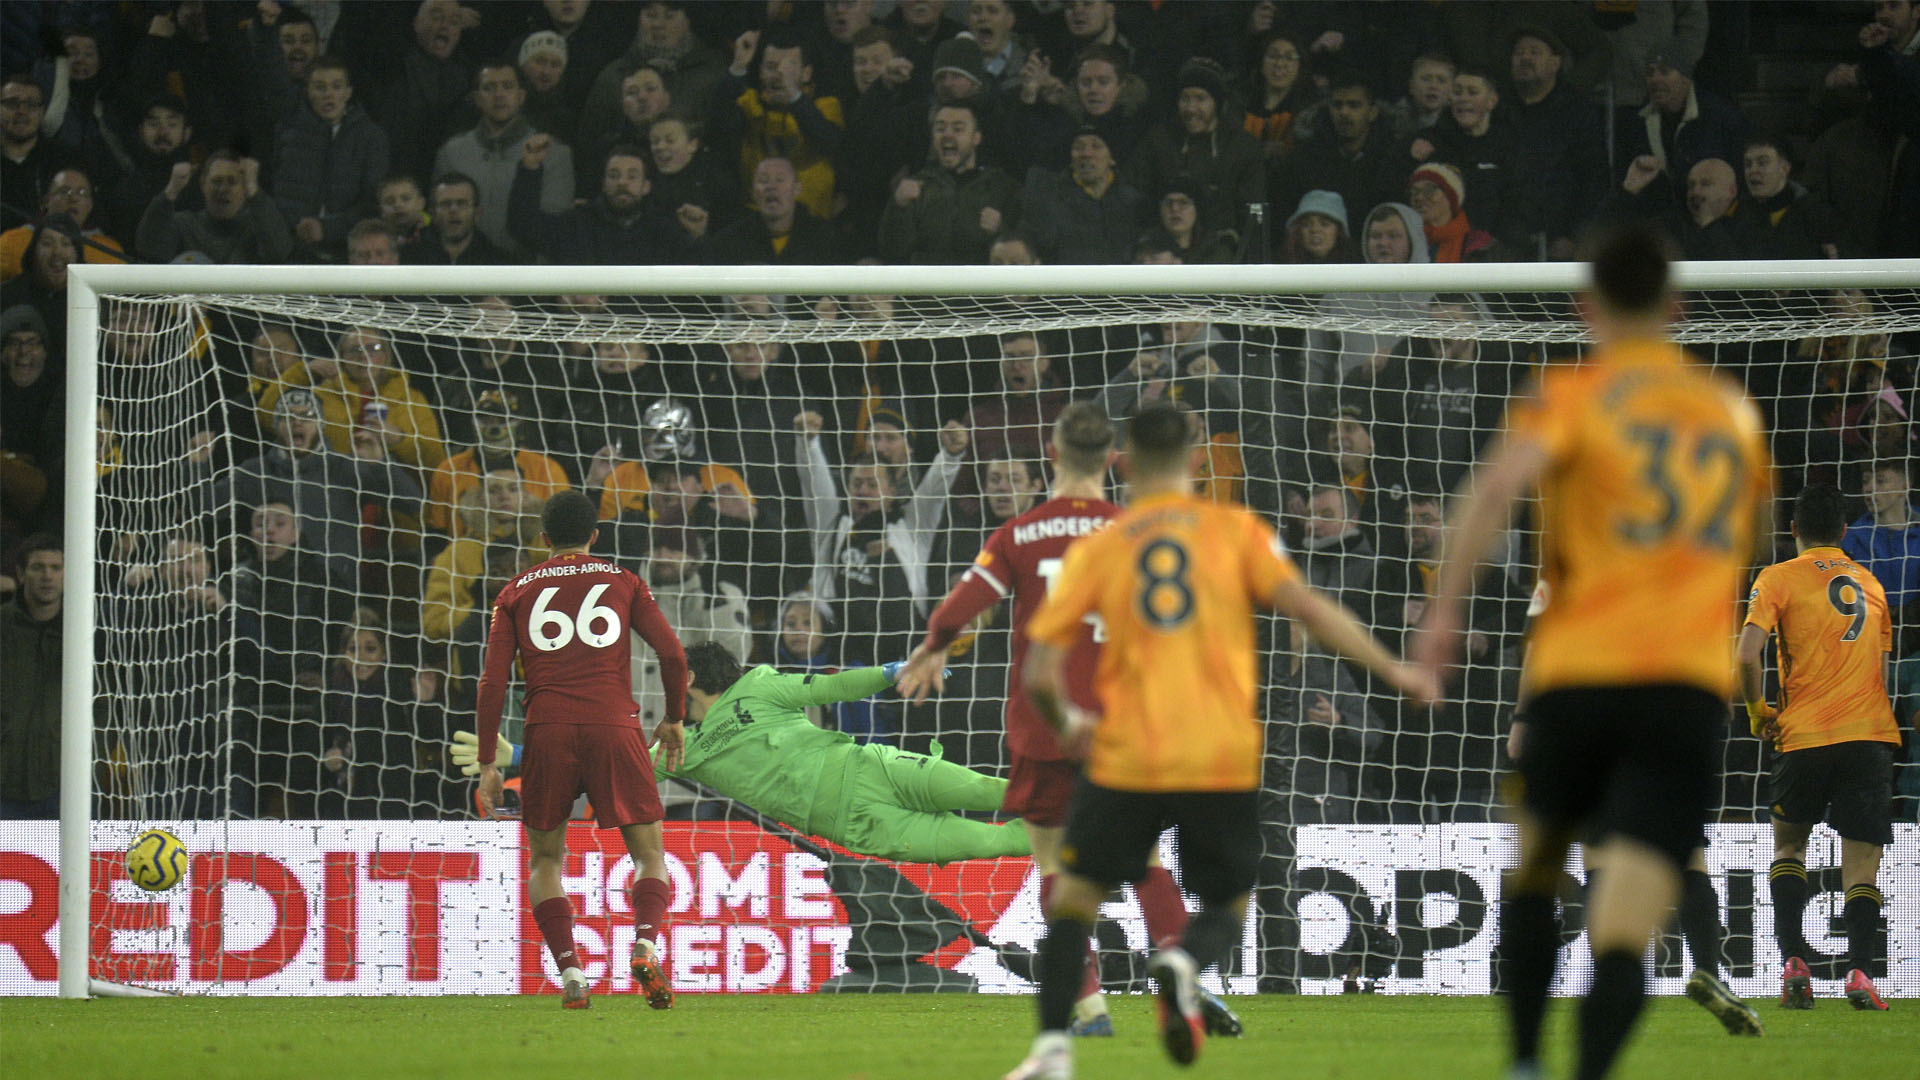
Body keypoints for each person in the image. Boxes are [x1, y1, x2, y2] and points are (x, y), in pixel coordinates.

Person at [1412, 224, 1771, 1080]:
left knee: (1537, 868)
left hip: (1579, 672)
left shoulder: (1573, 391)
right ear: (1676, 308)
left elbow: (1491, 490)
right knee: (1630, 922)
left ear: (1589, 307)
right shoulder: (1731, 410)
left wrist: (1443, 613)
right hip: (1684, 687)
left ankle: (1527, 1061)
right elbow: (1753, 534)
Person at [1006, 402, 1437, 1078]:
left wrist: (1069, 725)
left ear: (1123, 462)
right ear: (1198, 457)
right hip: (1220, 754)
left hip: (1126, 752)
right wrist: (1394, 669)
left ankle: (1052, 1052)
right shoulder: (1236, 531)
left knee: (1074, 899)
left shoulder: (1102, 546)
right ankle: (1183, 962)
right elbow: (1311, 609)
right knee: (1230, 901)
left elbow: (1038, 672)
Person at [899, 402, 1239, 1039]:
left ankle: (1088, 1009)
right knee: (1143, 860)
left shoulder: (1017, 535)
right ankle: (1182, 976)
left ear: (1052, 457)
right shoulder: (1134, 530)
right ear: (1114, 461)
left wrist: (932, 650)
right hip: (1121, 727)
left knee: (1056, 867)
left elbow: (956, 611)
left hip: (1043, 727)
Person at [456, 639, 1032, 864]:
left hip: (873, 768)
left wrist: (896, 669)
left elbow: (833, 686)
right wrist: (513, 756)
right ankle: (1092, 840)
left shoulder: (761, 684)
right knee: (995, 839)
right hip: (859, 819)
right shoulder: (681, 746)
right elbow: (601, 762)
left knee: (997, 792)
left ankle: (1091, 799)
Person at [472, 490, 690, 1011]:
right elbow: (673, 655)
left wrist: (487, 762)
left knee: (546, 859)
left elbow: (491, 684)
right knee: (649, 853)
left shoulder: (514, 592)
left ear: (543, 539)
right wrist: (675, 718)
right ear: (596, 535)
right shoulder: (624, 581)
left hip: (547, 730)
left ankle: (571, 972)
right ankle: (643, 943)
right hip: (614, 726)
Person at [1738, 482, 1900, 1012]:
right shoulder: (1871, 584)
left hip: (1803, 734)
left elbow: (1745, 655)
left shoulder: (1778, 577)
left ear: (1793, 531)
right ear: (1845, 532)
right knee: (1862, 865)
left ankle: (1794, 963)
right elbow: (1879, 669)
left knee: (1788, 847)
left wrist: (1758, 710)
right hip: (1868, 735)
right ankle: (1860, 973)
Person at [0, 535, 63, 819]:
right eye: (38, 567)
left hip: (66, 784)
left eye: (55, 568)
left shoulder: (88, 630)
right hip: (4, 783)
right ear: (21, 574)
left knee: (73, 864)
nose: (47, 576)